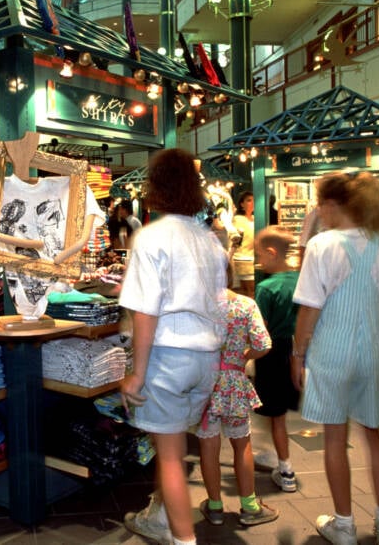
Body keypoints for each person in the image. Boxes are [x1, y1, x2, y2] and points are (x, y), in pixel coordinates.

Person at [291, 171, 379, 545]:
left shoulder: (322, 245)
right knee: (376, 435)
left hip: (332, 350)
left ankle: (343, 524)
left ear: (331, 205)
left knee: (334, 437)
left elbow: (309, 310)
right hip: (373, 349)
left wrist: (297, 353)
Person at [119, 148, 229, 545]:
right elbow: (220, 302)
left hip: (168, 355)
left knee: (169, 455)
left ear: (155, 186)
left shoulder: (150, 238)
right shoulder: (209, 241)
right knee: (174, 446)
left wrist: (136, 374)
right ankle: (160, 516)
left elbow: (145, 313)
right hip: (206, 359)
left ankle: (182, 539)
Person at [196, 288, 278, 526]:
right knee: (241, 444)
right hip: (234, 383)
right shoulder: (245, 304)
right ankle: (250, 506)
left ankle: (214, 507)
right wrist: (245, 355)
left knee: (208, 445)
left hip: (205, 384)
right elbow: (264, 344)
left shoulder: (197, 303)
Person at [253, 225, 301, 492]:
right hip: (295, 352)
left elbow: (260, 329)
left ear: (272, 253)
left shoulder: (266, 288)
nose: (259, 261)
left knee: (273, 415)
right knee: (278, 414)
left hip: (270, 354)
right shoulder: (301, 281)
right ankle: (277, 459)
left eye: (260, 255)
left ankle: (285, 470)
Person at [232, 191, 255, 296]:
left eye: (253, 200)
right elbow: (236, 241)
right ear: (242, 204)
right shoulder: (238, 219)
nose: (252, 202)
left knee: (252, 291)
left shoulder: (255, 219)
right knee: (249, 291)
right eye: (249, 200)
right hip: (243, 259)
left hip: (253, 259)